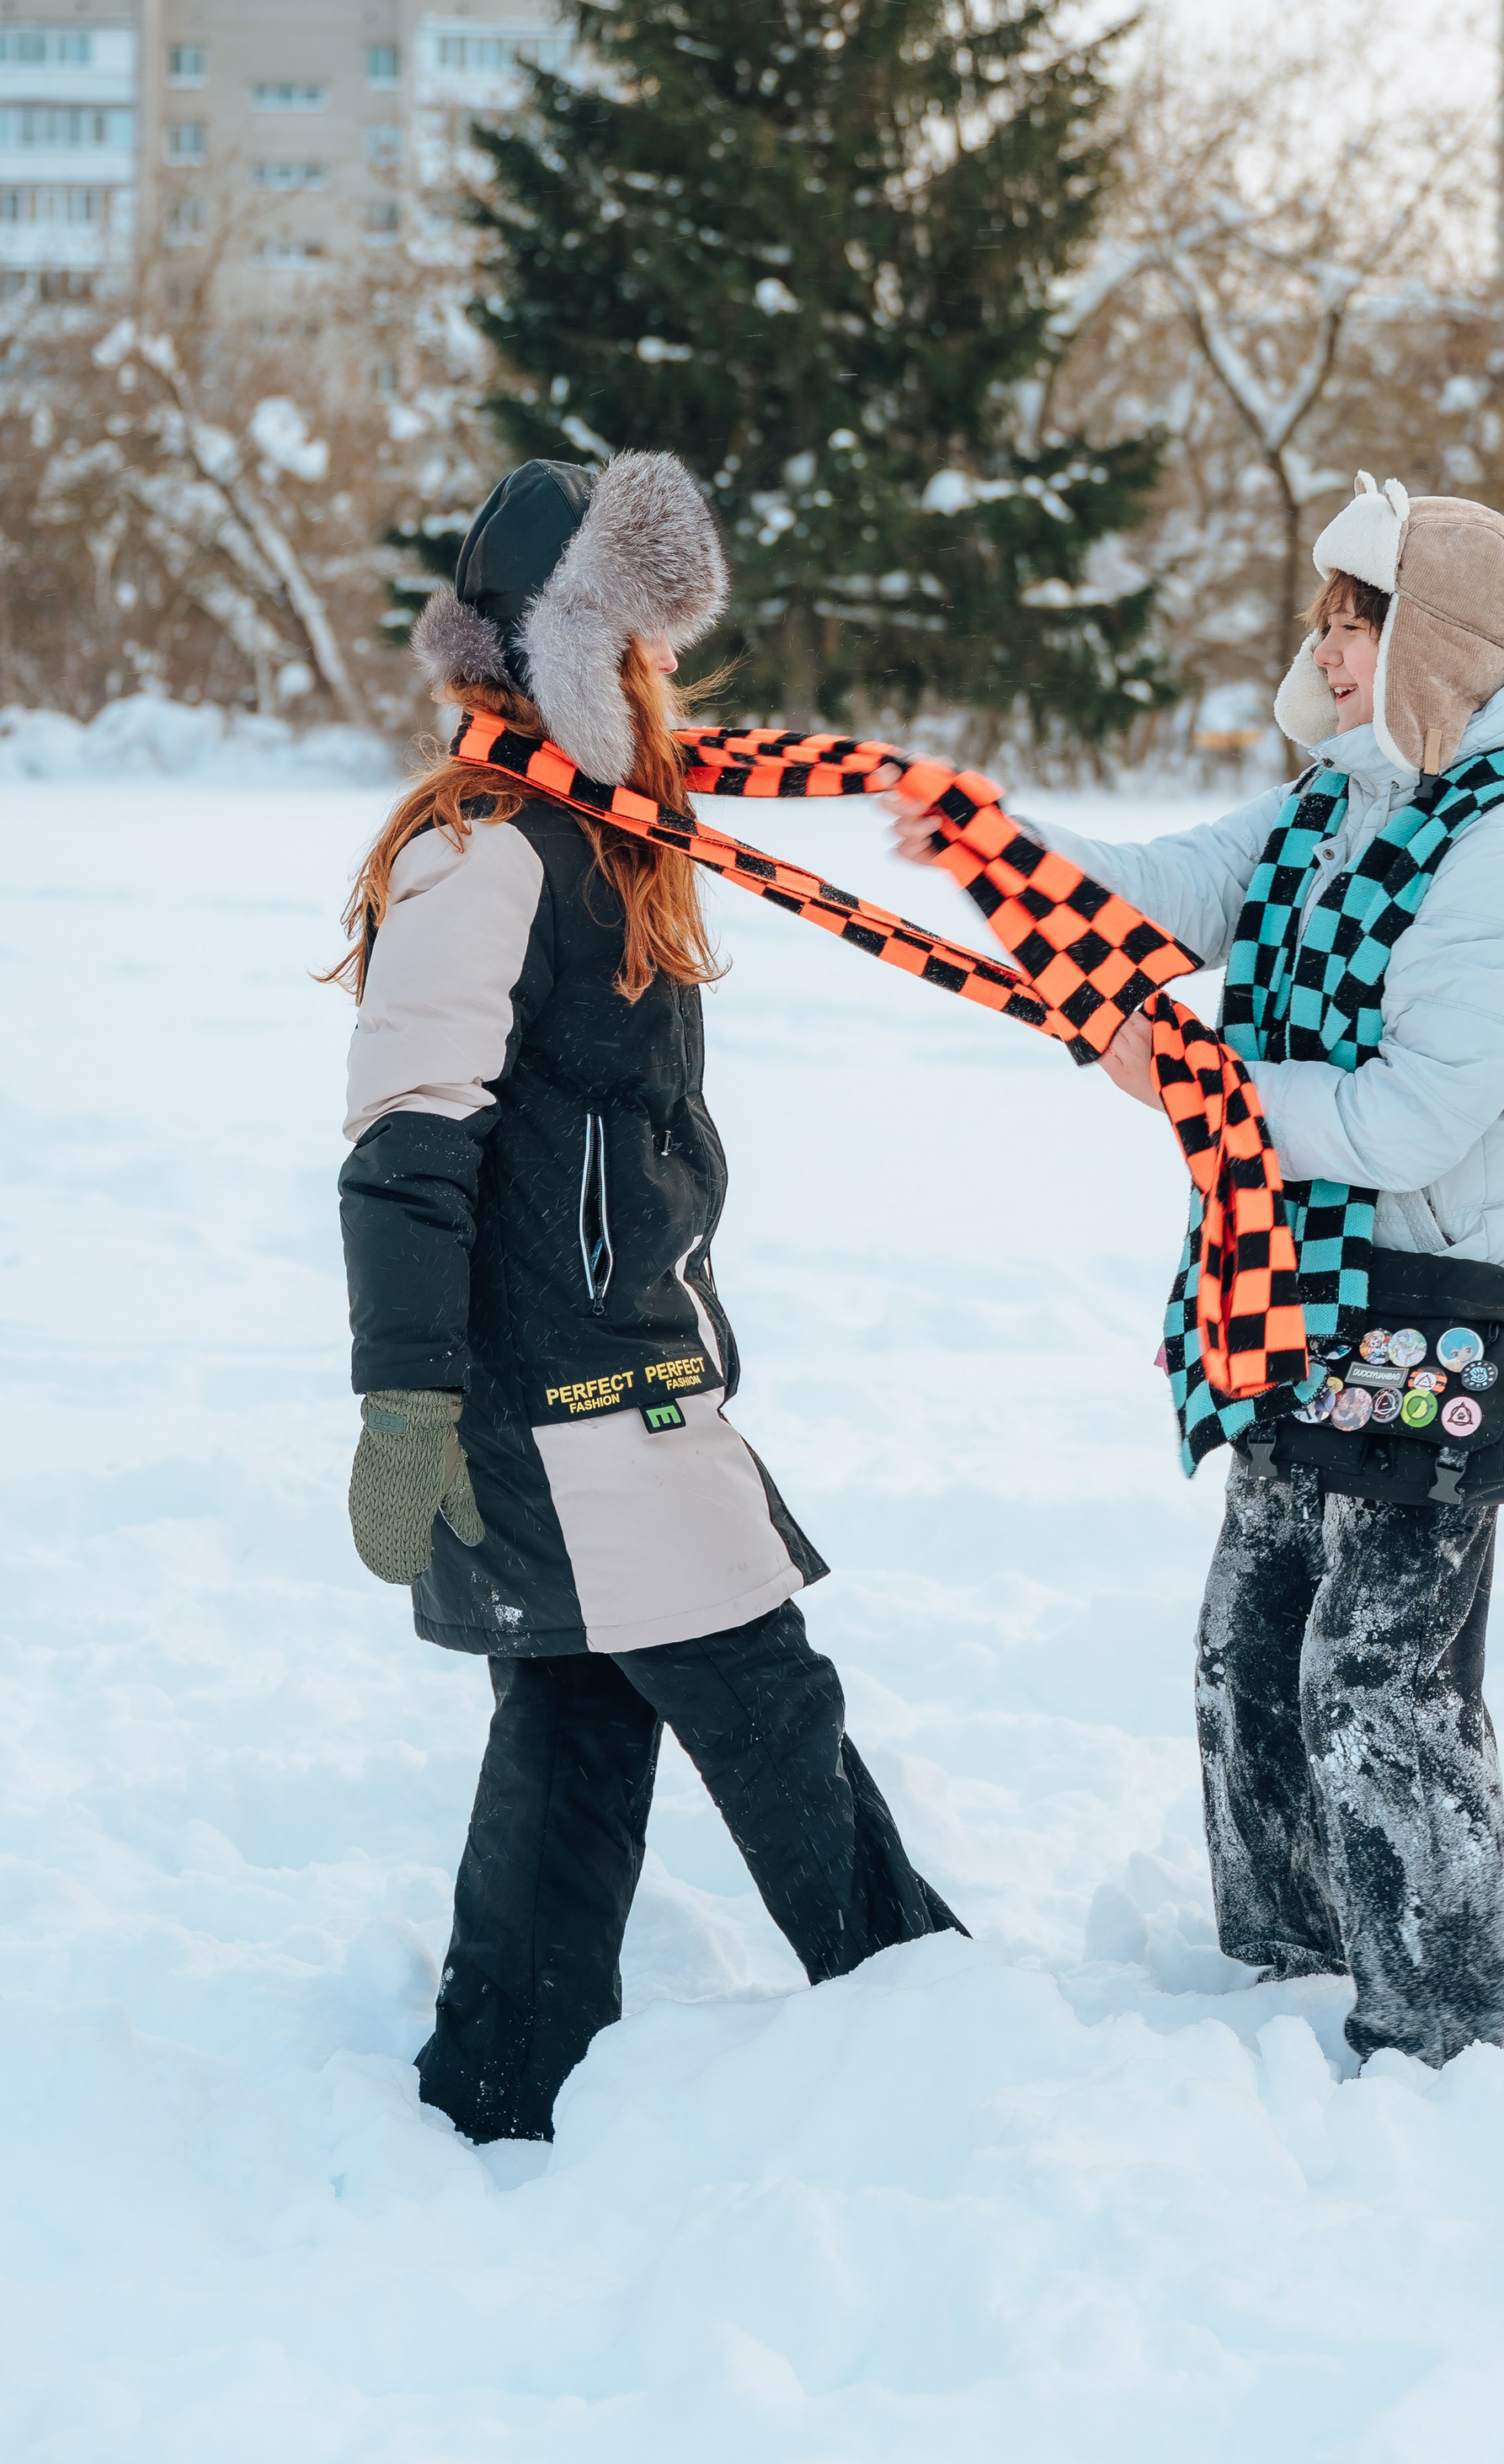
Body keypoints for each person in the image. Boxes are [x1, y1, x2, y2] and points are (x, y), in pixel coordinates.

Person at [877, 477, 1504, 2075]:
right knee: (1254, 1641)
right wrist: (993, 843)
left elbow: (1412, 1119)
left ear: (1432, 642)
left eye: (1356, 622)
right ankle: (1291, 1957)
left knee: (1378, 1684)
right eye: (1326, 618)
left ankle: (1458, 2028)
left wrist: (1195, 1089)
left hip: (1432, 1316)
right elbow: (1166, 892)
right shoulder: (1333, 795)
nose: (1328, 646)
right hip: (1288, 1288)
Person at [333, 451, 960, 2146]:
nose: (662, 675)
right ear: (553, 652)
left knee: (580, 1712)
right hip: (561, 1395)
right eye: (634, 640)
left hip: (620, 1363)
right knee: (764, 1701)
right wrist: (404, 1392)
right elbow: (405, 1143)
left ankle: (498, 2082)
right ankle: (927, 2019)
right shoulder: (487, 853)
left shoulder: (600, 838)